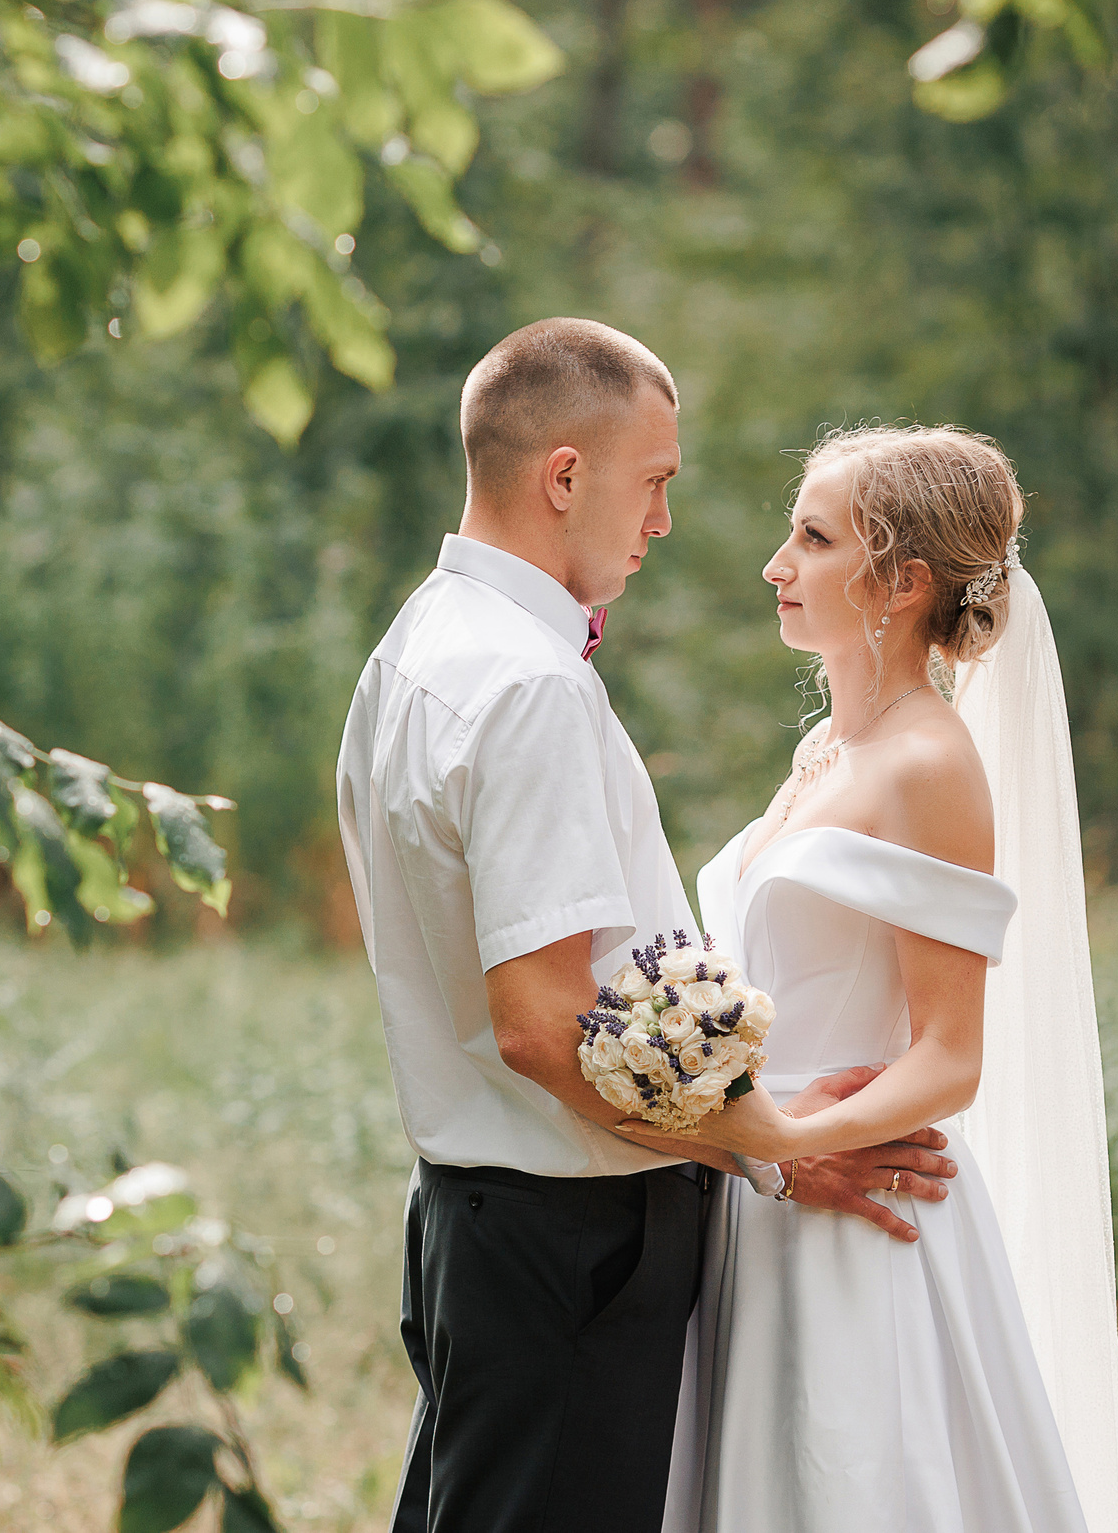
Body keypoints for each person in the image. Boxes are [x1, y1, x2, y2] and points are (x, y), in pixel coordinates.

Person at [333, 322, 958, 1533]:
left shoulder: (414, 647)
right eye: (654, 482)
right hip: (570, 1245)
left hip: (474, 1220)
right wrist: (769, 1143)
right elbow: (538, 1023)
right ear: (565, 476)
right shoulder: (528, 688)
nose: (662, 522)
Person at [655, 424, 1118, 1533]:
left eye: (813, 539)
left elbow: (948, 1055)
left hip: (852, 1212)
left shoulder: (929, 767)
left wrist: (781, 1141)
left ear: (901, 581)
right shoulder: (825, 753)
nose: (776, 565)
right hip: (761, 1198)